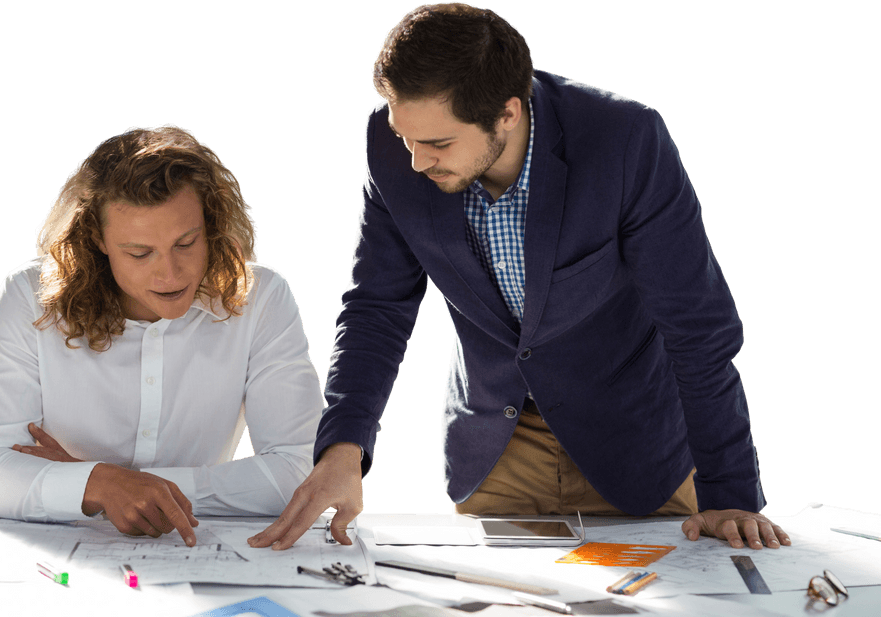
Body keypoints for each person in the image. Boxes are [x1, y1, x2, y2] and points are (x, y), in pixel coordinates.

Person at [250, 2, 791, 551]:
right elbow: (377, 306)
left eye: (438, 144)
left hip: (636, 444)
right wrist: (343, 448)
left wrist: (729, 492)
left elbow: (696, 327)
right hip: (496, 446)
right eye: (404, 135)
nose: (415, 161)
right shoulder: (394, 147)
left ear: (508, 113)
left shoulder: (624, 139)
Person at [0, 125, 322, 547]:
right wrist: (98, 484)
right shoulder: (29, 297)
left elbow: (300, 472)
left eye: (186, 243)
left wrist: (99, 483)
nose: (169, 274)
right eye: (140, 253)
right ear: (97, 239)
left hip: (196, 553)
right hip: (62, 563)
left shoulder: (261, 297)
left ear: (211, 226)